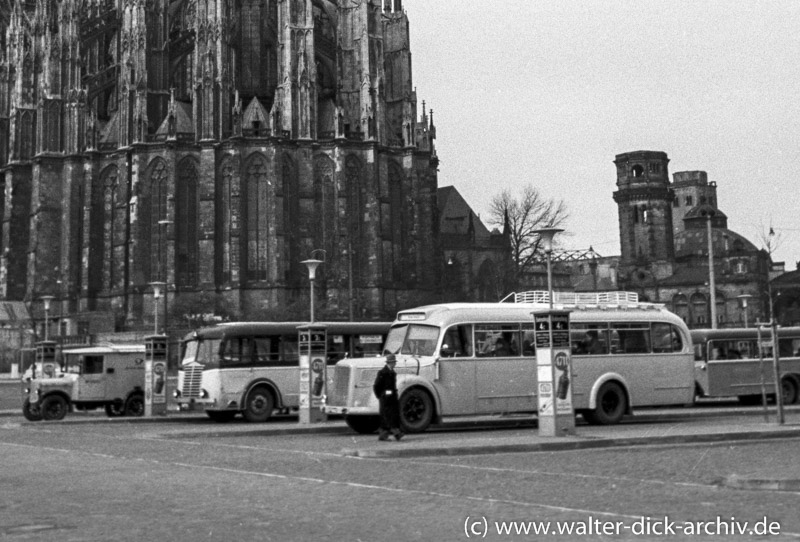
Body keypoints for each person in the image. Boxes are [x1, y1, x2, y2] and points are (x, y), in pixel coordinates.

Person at [373, 353, 404, 441]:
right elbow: (376, 386)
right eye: (394, 362)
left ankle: (395, 433)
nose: (395, 364)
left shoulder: (392, 372)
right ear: (390, 363)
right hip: (385, 398)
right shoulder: (382, 372)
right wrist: (380, 396)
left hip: (392, 398)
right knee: (386, 417)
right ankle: (388, 434)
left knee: (393, 416)